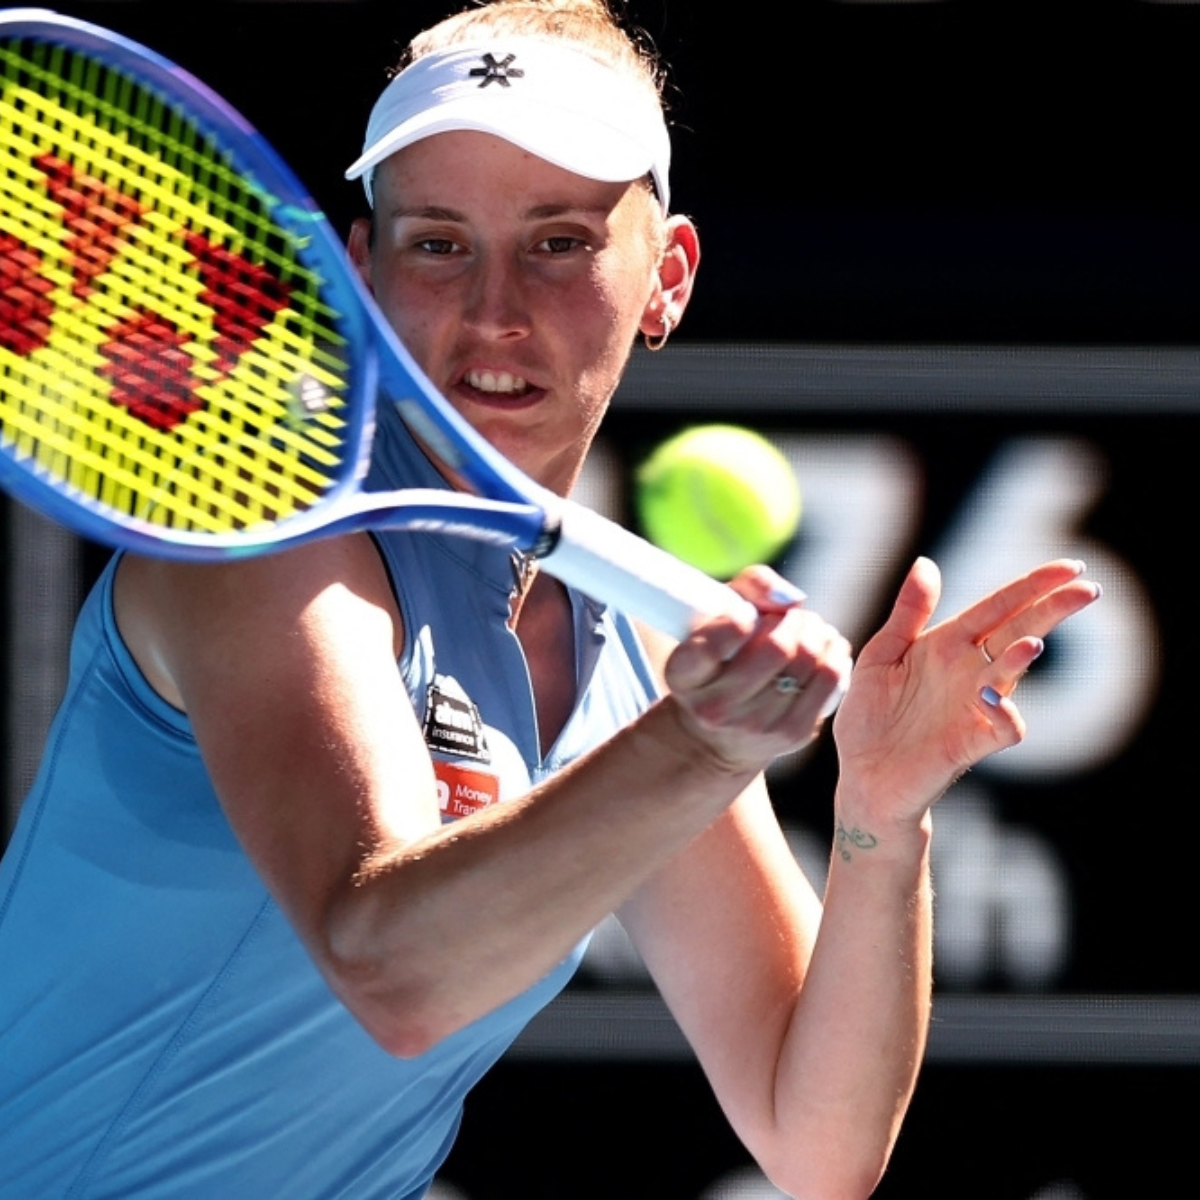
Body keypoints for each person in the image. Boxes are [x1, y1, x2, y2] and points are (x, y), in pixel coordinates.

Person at [0, 2, 1100, 1197]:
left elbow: (818, 1140)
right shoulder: (266, 537)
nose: (494, 311)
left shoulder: (623, 641)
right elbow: (394, 974)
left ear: (667, 276)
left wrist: (883, 818)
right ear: (360, 270)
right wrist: (694, 746)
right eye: (438, 243)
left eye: (561, 241)